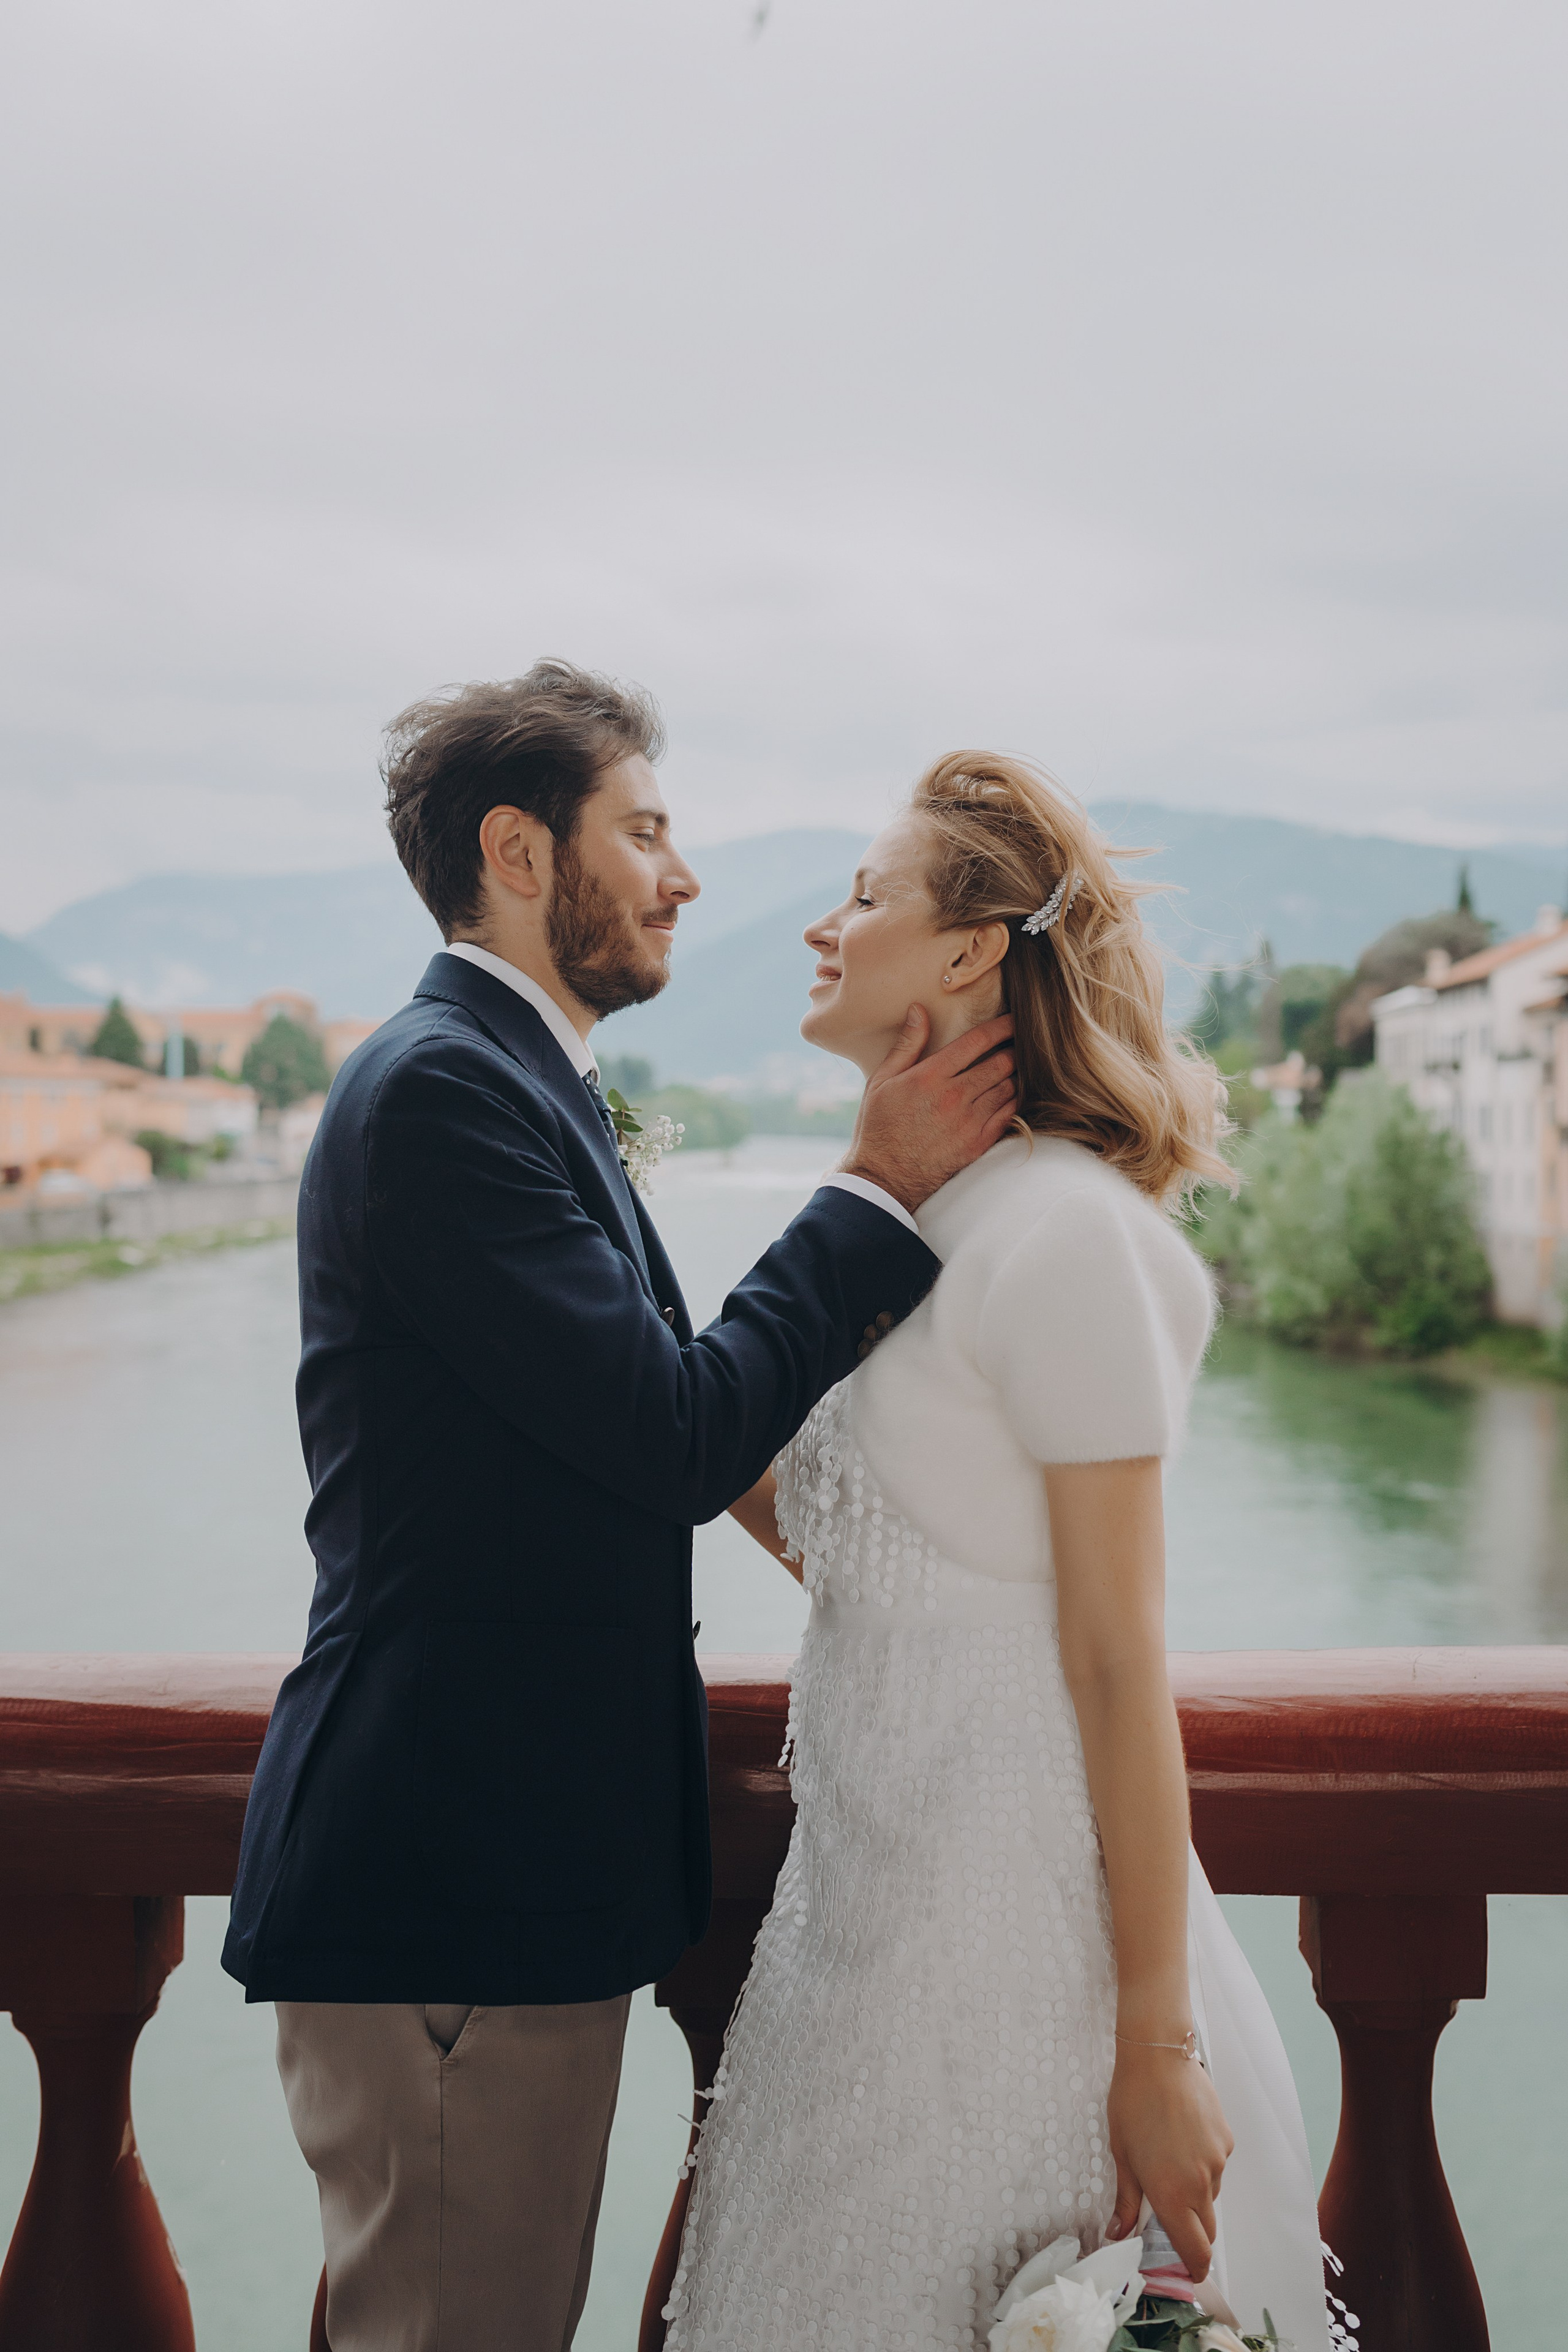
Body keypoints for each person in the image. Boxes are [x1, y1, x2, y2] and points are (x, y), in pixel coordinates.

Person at [221, 664, 1017, 2352]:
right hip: (454, 1891)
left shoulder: (508, 1079)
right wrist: (876, 1183)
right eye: (644, 832)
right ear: (519, 851)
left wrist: (931, 1591)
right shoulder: (443, 1093)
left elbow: (652, 1423)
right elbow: (670, 1429)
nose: (686, 876)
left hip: (497, 1881)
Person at [663, 753, 1331, 2351]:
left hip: (1026, 1973)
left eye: (865, 897)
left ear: (971, 951)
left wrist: (1154, 2052)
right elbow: (837, 1534)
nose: (822, 928)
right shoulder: (910, 1221)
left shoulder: (1071, 1235)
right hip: (853, 1949)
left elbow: (1117, 1658)